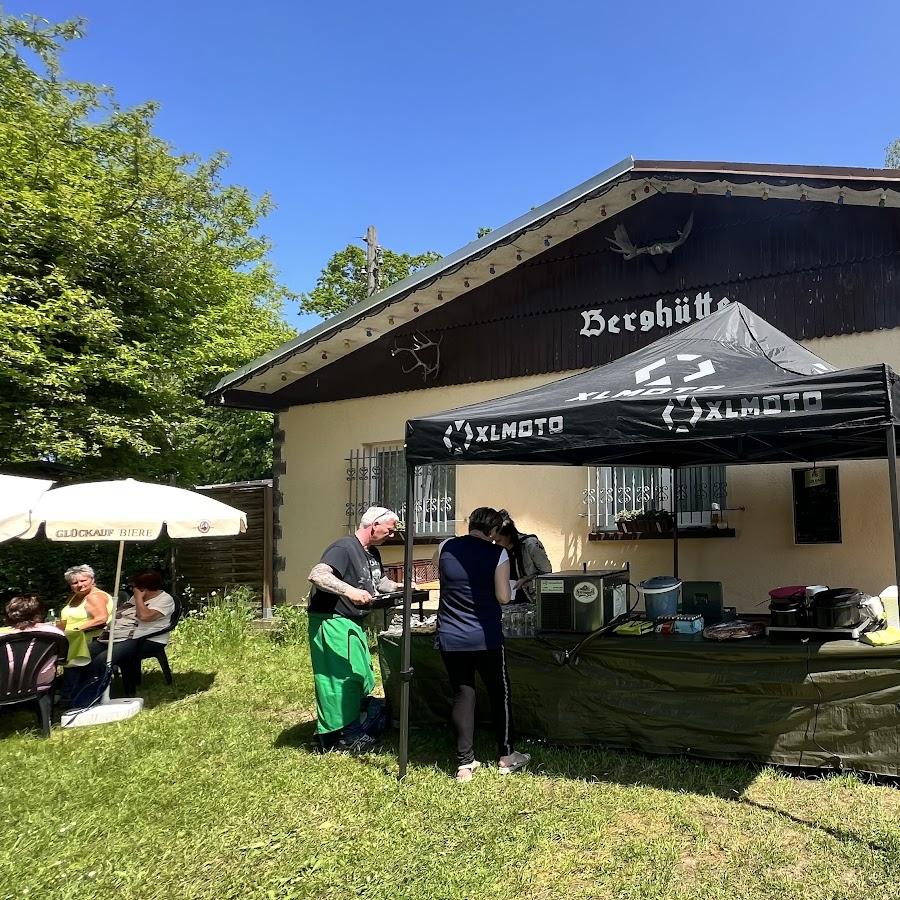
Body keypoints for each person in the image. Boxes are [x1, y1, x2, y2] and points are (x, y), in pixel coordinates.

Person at [434, 506, 531, 782]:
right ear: (494, 531)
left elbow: (442, 576)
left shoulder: (445, 546)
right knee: (499, 693)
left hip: (451, 634)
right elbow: (503, 597)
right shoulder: (497, 553)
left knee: (463, 694)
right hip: (485, 636)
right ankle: (506, 755)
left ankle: (464, 763)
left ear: (471, 524)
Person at [307, 506, 405, 752]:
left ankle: (353, 723)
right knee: (341, 679)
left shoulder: (372, 552)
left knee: (361, 676)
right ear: (374, 525)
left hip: (353, 622)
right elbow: (317, 575)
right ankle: (343, 736)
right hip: (331, 620)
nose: (392, 535)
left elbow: (378, 581)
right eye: (390, 529)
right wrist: (350, 591)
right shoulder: (344, 548)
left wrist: (401, 587)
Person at [74, 570, 175, 705]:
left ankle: (91, 696)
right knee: (83, 654)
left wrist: (138, 598)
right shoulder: (137, 596)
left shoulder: (165, 600)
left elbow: (144, 616)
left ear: (143, 589)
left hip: (147, 640)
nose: (132, 590)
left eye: (134, 587)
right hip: (120, 636)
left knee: (102, 660)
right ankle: (71, 691)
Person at [1, 595, 65, 690]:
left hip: (3, 687)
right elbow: (62, 659)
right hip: (41, 685)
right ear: (38, 613)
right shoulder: (55, 633)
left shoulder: (2, 636)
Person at [495, 510, 553, 604]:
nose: (496, 544)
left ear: (508, 536)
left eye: (498, 541)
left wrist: (526, 579)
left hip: (532, 598)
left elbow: (547, 573)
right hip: (509, 600)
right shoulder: (500, 551)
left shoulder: (530, 544)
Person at [60, 564, 113, 637]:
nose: (79, 585)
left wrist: (76, 630)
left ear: (92, 580)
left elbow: (101, 619)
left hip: (86, 638)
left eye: (83, 580)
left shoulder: (95, 597)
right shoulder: (74, 596)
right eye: (75, 583)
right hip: (67, 636)